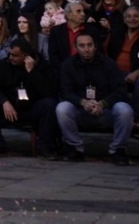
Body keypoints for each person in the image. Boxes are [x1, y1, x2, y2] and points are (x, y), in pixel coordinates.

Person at [56, 33, 133, 165]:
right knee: (62, 108)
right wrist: (83, 102)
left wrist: (103, 103)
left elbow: (120, 91)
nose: (86, 49)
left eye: (89, 45)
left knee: (125, 110)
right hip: (81, 108)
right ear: (76, 48)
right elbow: (66, 92)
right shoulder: (68, 65)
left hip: (106, 108)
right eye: (82, 46)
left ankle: (118, 149)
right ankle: (75, 148)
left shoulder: (109, 64)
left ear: (95, 46)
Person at [0, 39, 59, 159]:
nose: (11, 57)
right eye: (10, 54)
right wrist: (4, 102)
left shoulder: (42, 66)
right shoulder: (3, 65)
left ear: (26, 56)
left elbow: (48, 91)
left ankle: (44, 146)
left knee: (49, 104)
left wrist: (32, 72)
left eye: (15, 56)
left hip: (31, 107)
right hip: (8, 107)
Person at [107, 5, 139, 124]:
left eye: (136, 16)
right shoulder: (117, 32)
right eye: (129, 16)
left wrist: (136, 72)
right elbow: (107, 53)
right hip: (115, 72)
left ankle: (134, 118)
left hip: (135, 73)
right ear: (124, 19)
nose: (132, 19)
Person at [48, 2, 100, 75]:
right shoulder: (56, 31)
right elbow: (53, 55)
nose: (83, 14)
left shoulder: (92, 31)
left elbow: (98, 53)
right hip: (63, 72)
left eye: (83, 11)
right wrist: (66, 69)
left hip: (87, 71)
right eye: (78, 11)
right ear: (68, 15)